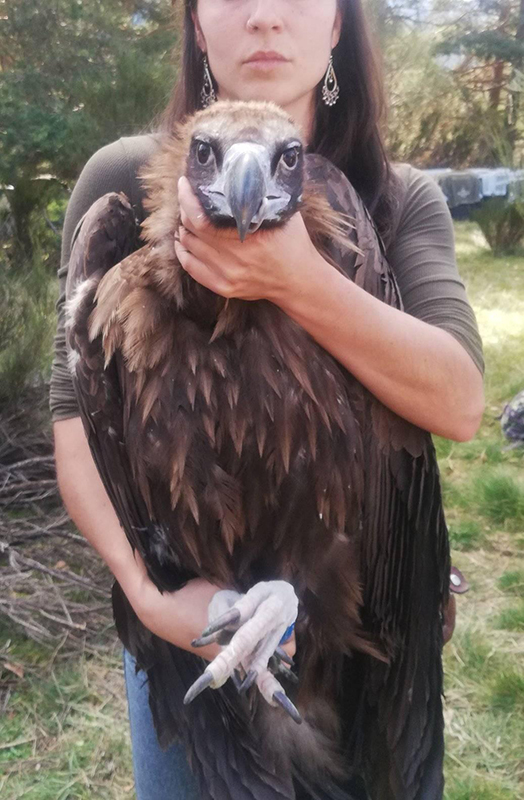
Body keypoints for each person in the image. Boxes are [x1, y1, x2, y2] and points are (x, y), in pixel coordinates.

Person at [50, 1, 485, 798]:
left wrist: (298, 280)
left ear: (337, 29)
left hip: (353, 610)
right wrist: (157, 601)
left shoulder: (392, 196)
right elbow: (75, 425)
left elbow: (458, 404)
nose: (262, 16)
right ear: (194, 25)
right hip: (186, 614)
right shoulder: (120, 188)